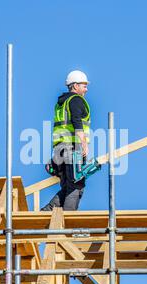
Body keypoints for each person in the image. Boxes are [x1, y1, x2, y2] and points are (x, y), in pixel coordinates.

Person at [41, 70, 91, 211]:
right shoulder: (76, 100)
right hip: (72, 148)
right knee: (76, 185)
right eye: (84, 86)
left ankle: (46, 212)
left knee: (68, 187)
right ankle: (69, 223)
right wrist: (84, 144)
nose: (86, 89)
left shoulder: (61, 103)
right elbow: (76, 122)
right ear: (75, 86)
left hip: (59, 150)